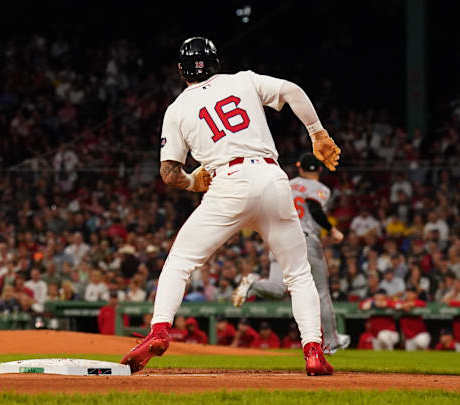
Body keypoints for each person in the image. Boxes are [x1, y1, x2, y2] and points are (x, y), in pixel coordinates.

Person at [121, 37, 339, 376]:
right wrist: (317, 133)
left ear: (181, 70)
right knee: (298, 273)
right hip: (272, 177)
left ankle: (160, 330)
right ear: (215, 62)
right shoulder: (243, 79)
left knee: (180, 261)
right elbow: (293, 90)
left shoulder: (177, 109)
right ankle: (313, 351)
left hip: (229, 181)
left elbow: (168, 172)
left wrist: (194, 181)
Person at [233, 153, 350, 352]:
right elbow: (313, 207)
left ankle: (253, 282)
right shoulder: (320, 188)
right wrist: (332, 230)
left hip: (278, 238)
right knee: (321, 292)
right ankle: (331, 341)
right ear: (319, 170)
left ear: (299, 167)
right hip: (304, 239)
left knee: (279, 289)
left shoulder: (285, 183)